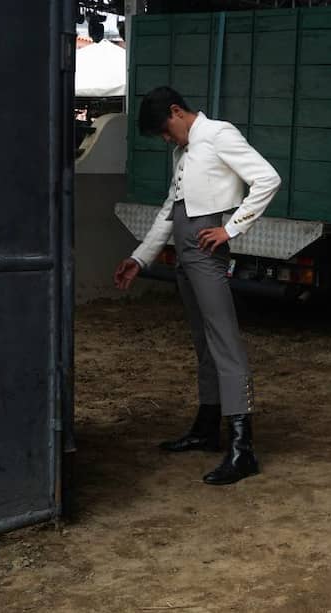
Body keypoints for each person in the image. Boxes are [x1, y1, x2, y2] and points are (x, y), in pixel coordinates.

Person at [114, 86, 281, 485]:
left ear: (177, 111)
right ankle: (207, 428)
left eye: (165, 131)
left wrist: (230, 229)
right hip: (186, 255)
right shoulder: (184, 151)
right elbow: (170, 212)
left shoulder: (219, 133)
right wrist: (140, 257)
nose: (167, 140)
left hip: (206, 252)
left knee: (225, 342)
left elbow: (267, 179)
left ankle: (244, 449)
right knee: (204, 343)